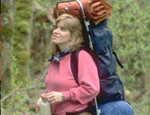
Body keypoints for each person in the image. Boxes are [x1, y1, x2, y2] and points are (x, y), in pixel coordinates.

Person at [36, 14, 100, 115]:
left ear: (73, 36)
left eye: (63, 29)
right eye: (56, 27)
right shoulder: (56, 58)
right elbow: (56, 88)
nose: (55, 31)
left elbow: (92, 88)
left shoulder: (82, 56)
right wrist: (44, 96)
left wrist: (65, 96)